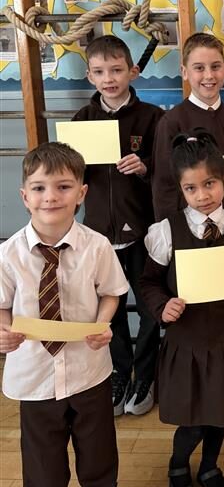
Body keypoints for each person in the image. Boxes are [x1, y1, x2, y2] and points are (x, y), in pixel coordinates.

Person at [0, 142, 128, 487]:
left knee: (97, 446)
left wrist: (102, 323)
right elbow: (2, 305)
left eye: (63, 186)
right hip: (34, 374)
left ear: (82, 193)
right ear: (25, 196)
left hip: (88, 369)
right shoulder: (8, 254)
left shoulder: (97, 246)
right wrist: (4, 331)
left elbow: (111, 293)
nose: (50, 197)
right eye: (39, 188)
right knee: (42, 455)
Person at [141, 130, 224, 487]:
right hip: (187, 344)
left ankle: (210, 467)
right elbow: (147, 282)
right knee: (193, 419)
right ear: (181, 190)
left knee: (220, 413)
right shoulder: (165, 232)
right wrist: (162, 305)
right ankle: (178, 466)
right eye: (191, 188)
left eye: (209, 184)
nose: (202, 195)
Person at [72, 36, 164, 418]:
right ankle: (119, 373)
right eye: (99, 72)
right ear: (90, 76)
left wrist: (145, 167)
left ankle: (146, 375)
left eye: (116, 70)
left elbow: (167, 172)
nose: (108, 78)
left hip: (142, 230)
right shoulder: (82, 120)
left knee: (149, 305)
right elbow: (71, 177)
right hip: (97, 233)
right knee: (107, 308)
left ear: (133, 71)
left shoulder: (153, 118)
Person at [152, 33, 224, 221]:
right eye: (199, 68)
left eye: (215, 66)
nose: (209, 75)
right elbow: (164, 187)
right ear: (184, 72)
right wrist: (173, 229)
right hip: (186, 226)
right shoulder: (171, 122)